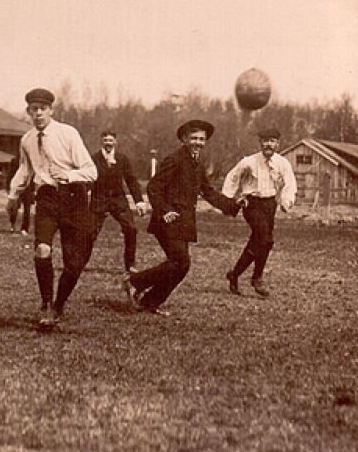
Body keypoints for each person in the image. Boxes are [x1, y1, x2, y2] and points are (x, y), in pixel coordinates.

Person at [122, 119, 242, 315]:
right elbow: (154, 187)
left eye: (202, 139)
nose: (198, 142)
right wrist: (164, 210)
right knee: (181, 262)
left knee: (180, 266)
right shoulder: (175, 159)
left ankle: (149, 301)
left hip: (184, 223)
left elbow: (208, 191)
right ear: (185, 139)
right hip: (167, 221)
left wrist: (233, 205)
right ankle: (134, 281)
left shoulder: (197, 163)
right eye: (194, 138)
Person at [7, 88, 97, 329]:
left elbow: (91, 171)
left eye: (42, 109)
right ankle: (46, 304)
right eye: (33, 109)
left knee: (74, 263)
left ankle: (59, 305)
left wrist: (69, 175)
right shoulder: (26, 139)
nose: (38, 113)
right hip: (46, 198)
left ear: (51, 110)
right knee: (42, 250)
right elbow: (25, 170)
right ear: (28, 111)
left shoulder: (68, 134)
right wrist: (13, 195)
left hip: (74, 199)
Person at [222, 127, 297, 297]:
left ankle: (234, 274)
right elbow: (232, 177)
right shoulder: (249, 162)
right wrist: (229, 199)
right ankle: (257, 278)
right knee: (265, 239)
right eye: (265, 141)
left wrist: (286, 201)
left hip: (270, 205)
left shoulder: (282, 163)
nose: (268, 144)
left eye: (272, 141)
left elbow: (290, 184)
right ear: (260, 143)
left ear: (278, 143)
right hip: (252, 204)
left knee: (259, 242)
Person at [86, 130, 150, 272]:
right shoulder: (93, 159)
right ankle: (79, 262)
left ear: (115, 141)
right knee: (89, 233)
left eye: (111, 140)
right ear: (101, 141)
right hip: (99, 200)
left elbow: (131, 180)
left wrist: (139, 201)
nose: (108, 143)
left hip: (118, 200)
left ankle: (130, 266)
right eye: (106, 140)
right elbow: (87, 179)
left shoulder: (122, 159)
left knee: (131, 229)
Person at [6, 155, 34, 234]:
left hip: (27, 188)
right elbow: (10, 174)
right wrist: (9, 188)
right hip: (16, 187)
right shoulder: (15, 161)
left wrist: (33, 190)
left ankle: (25, 228)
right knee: (14, 207)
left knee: (27, 209)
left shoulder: (32, 160)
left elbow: (33, 176)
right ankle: (12, 224)